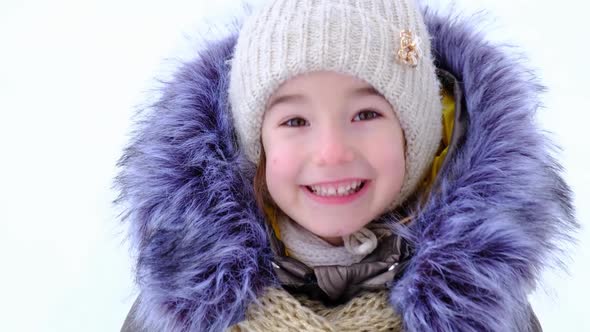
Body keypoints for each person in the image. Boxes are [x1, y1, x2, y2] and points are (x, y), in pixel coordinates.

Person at [115, 0, 577, 331]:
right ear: (254, 143)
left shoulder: (485, 308)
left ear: (417, 133)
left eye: (366, 115)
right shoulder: (183, 310)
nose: (332, 152)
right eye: (295, 120)